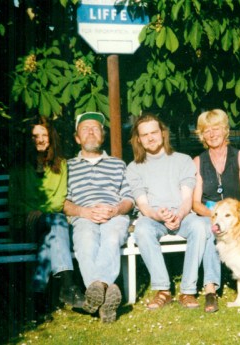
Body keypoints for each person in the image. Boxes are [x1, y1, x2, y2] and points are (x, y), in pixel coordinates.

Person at [126, 112, 218, 312]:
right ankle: (163, 290)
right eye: (145, 135)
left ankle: (188, 290)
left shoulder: (183, 160)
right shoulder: (134, 168)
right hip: (154, 219)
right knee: (141, 229)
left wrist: (179, 214)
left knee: (201, 226)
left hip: (182, 215)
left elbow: (187, 199)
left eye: (154, 132)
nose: (150, 137)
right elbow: (143, 205)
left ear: (163, 133)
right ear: (139, 140)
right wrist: (160, 216)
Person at [63, 112, 134, 323]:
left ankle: (97, 291)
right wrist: (84, 212)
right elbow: (63, 203)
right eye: (85, 129)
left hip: (115, 215)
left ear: (102, 135)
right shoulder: (67, 166)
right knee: (85, 240)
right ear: (77, 138)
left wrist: (115, 210)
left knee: (112, 237)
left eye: (95, 128)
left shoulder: (118, 164)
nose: (91, 132)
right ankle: (105, 295)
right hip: (83, 216)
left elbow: (129, 199)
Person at [9, 116, 85, 309]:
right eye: (35, 136)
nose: (40, 140)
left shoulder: (61, 165)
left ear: (51, 138)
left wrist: (41, 213)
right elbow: (14, 201)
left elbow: (60, 199)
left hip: (49, 223)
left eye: (44, 135)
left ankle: (38, 293)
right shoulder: (18, 167)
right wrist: (31, 212)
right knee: (58, 223)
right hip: (25, 225)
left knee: (53, 230)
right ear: (28, 139)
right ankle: (68, 285)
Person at [192, 108, 240, 312]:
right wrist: (215, 218)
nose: (212, 134)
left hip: (236, 216)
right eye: (206, 130)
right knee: (212, 231)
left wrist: (231, 218)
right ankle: (210, 290)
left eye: (216, 128)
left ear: (225, 130)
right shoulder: (198, 162)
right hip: (209, 216)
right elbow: (195, 203)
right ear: (202, 134)